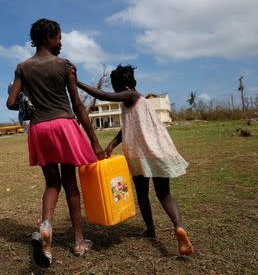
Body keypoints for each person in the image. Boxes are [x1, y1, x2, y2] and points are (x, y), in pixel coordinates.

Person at [6, 18, 105, 268]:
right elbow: (78, 105)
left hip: (39, 128)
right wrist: (94, 142)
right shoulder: (65, 66)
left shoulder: (22, 67)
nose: (61, 43)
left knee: (52, 183)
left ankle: (46, 226)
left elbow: (10, 102)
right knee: (70, 184)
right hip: (63, 125)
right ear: (49, 38)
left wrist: (26, 95)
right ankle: (79, 241)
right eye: (59, 38)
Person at [76, 64, 194, 256]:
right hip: (158, 152)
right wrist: (112, 144)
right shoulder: (139, 100)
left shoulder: (130, 95)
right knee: (165, 194)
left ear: (118, 86)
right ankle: (178, 226)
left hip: (140, 155)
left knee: (143, 194)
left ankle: (150, 230)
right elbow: (127, 128)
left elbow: (104, 96)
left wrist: (77, 82)